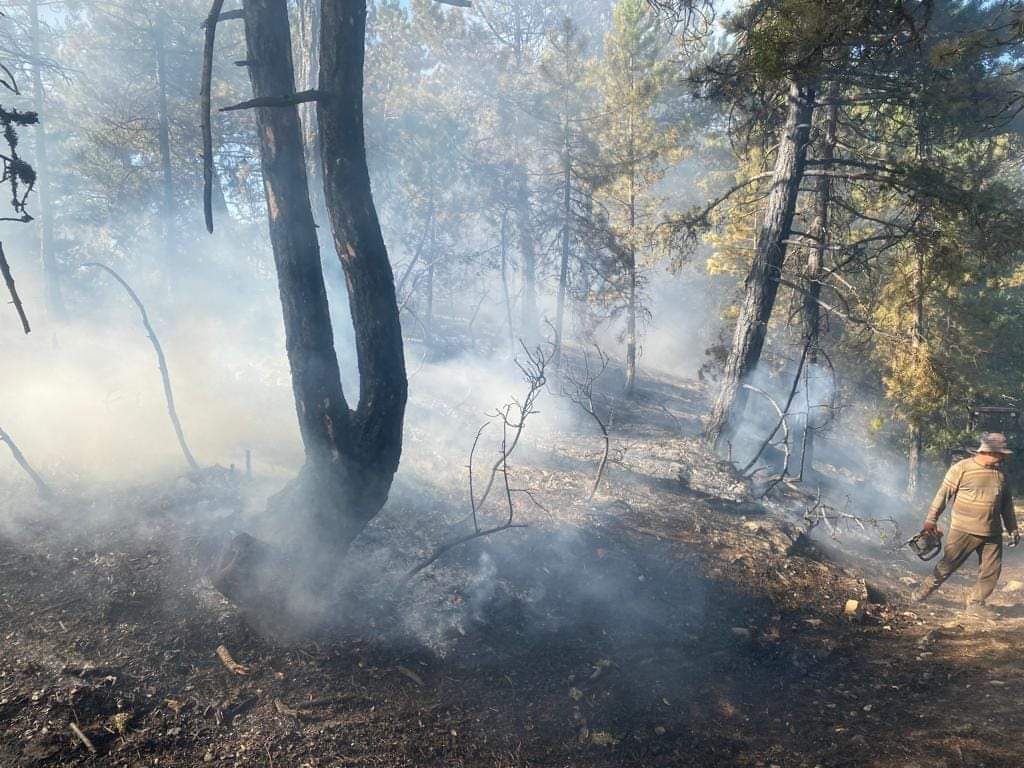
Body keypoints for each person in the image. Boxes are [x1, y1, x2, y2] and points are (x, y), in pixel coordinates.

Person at [912, 432, 1020, 618]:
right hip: (963, 530)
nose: (1003, 457)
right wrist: (931, 520)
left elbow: (1007, 505)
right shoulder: (961, 469)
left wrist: (1012, 528)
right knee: (947, 566)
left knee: (991, 572)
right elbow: (942, 495)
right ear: (990, 452)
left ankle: (976, 604)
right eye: (1001, 453)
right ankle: (920, 595)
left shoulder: (1001, 475)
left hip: (992, 533)